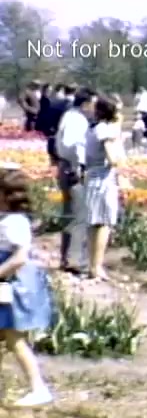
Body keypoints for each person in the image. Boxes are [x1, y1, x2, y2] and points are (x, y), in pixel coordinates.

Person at [0, 166, 54, 407]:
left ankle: (38, 388)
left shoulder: (15, 223)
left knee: (14, 338)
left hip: (12, 286)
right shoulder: (6, 219)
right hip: (6, 283)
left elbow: (20, 257)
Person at [84, 95, 127, 281]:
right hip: (103, 179)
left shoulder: (95, 128)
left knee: (95, 223)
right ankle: (97, 266)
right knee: (103, 223)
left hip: (93, 177)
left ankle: (93, 265)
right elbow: (112, 158)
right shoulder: (105, 131)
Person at [55, 88, 96, 275]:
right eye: (93, 104)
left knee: (70, 213)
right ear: (86, 103)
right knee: (80, 214)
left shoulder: (69, 116)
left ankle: (67, 257)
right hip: (73, 168)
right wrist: (79, 165)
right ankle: (75, 260)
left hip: (65, 166)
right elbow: (74, 144)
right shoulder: (77, 120)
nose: (95, 108)